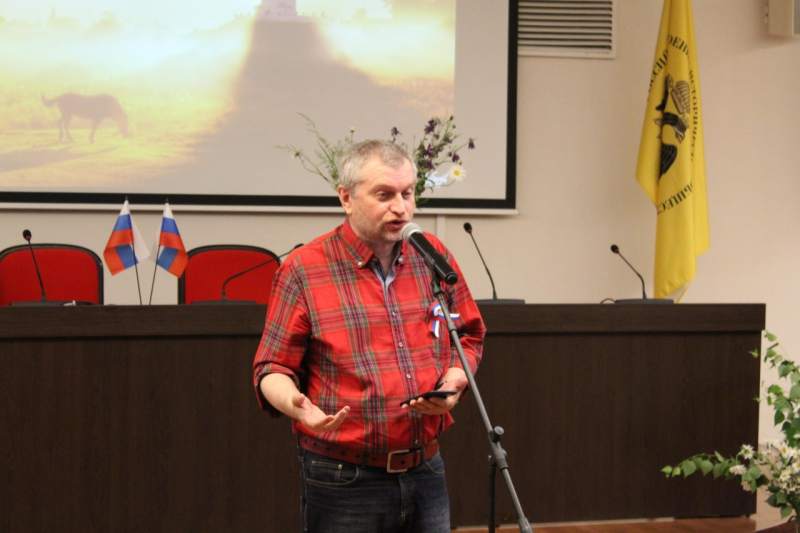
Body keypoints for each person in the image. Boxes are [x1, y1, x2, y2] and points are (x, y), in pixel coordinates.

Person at [253, 139, 485, 533]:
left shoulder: (431, 256)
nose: (401, 207)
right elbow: (271, 368)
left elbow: (468, 335)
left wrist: (453, 382)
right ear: (346, 197)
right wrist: (297, 405)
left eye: (407, 194)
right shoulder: (304, 269)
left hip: (426, 468)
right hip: (344, 477)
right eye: (384, 195)